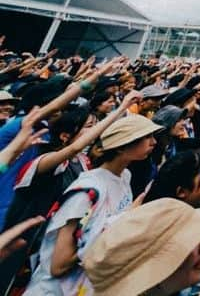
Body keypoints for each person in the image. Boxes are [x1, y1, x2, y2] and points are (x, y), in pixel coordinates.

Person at [24, 113, 162, 295]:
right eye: (146, 137)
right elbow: (59, 264)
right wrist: (120, 223)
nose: (153, 143)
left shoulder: (124, 177)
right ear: (121, 147)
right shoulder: (87, 191)